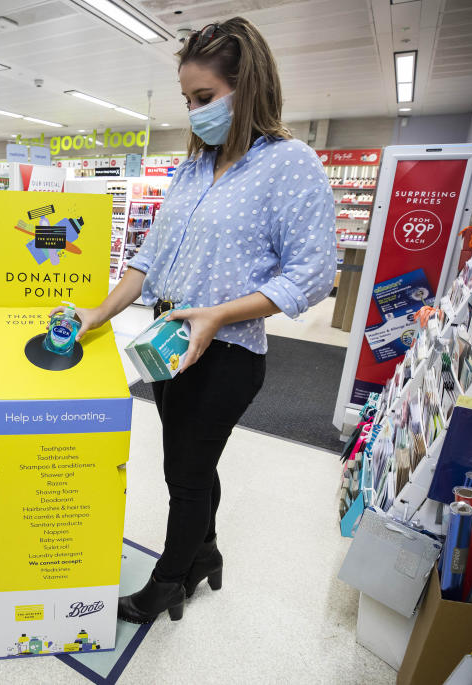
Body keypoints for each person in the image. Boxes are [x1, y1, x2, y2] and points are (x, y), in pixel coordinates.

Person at [54, 17, 336, 624]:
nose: (194, 113)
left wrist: (219, 315)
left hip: (228, 353)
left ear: (248, 87)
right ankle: (206, 552)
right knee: (187, 465)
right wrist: (95, 312)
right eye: (188, 100)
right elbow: (150, 259)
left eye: (204, 98)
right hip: (170, 343)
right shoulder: (190, 170)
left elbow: (311, 274)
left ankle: (167, 584)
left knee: (185, 474)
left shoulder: (290, 165)